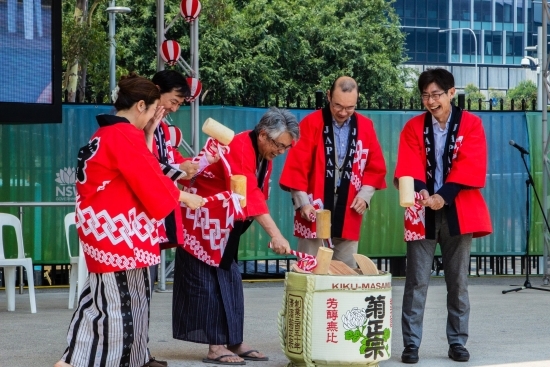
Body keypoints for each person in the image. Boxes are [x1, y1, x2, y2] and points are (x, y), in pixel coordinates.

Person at [54, 74, 204, 367]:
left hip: (107, 231)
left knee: (108, 302)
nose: (153, 117)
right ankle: (80, 361)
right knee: (117, 308)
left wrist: (148, 136)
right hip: (120, 237)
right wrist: (183, 198)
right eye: (151, 111)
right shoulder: (123, 136)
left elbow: (145, 172)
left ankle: (85, 360)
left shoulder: (105, 134)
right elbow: (153, 184)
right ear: (139, 106)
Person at [172, 107, 299, 365]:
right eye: (279, 145)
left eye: (286, 147)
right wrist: (275, 233)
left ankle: (233, 339)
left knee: (229, 279)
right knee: (206, 284)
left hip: (225, 224)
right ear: (263, 135)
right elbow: (250, 194)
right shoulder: (240, 145)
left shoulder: (264, 152)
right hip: (202, 220)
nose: (281, 151)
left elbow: (257, 194)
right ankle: (216, 346)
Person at [394, 68, 492, 364]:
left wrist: (442, 196)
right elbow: (408, 164)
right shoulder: (414, 127)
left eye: (436, 94)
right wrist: (424, 193)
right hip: (421, 210)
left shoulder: (471, 124)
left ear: (452, 92)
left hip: (458, 209)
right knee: (416, 281)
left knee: (458, 281)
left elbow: (470, 165)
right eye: (425, 95)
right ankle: (411, 344)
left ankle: (458, 342)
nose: (430, 101)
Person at [279, 76, 387, 268]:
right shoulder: (311, 123)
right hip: (314, 204)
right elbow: (297, 168)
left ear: (357, 99)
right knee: (310, 268)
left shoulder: (365, 126)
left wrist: (364, 196)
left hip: (350, 204)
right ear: (329, 96)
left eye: (350, 107)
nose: (343, 112)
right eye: (338, 106)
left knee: (345, 272)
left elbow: (375, 166)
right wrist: (303, 203)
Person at [141, 70, 201, 367]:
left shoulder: (160, 127)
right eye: (174, 100)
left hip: (153, 217)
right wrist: (178, 172)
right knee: (137, 289)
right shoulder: (138, 124)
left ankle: (139, 349)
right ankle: (135, 350)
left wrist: (182, 167)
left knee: (145, 288)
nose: (175, 108)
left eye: (179, 103)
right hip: (138, 219)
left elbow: (161, 164)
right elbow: (148, 167)